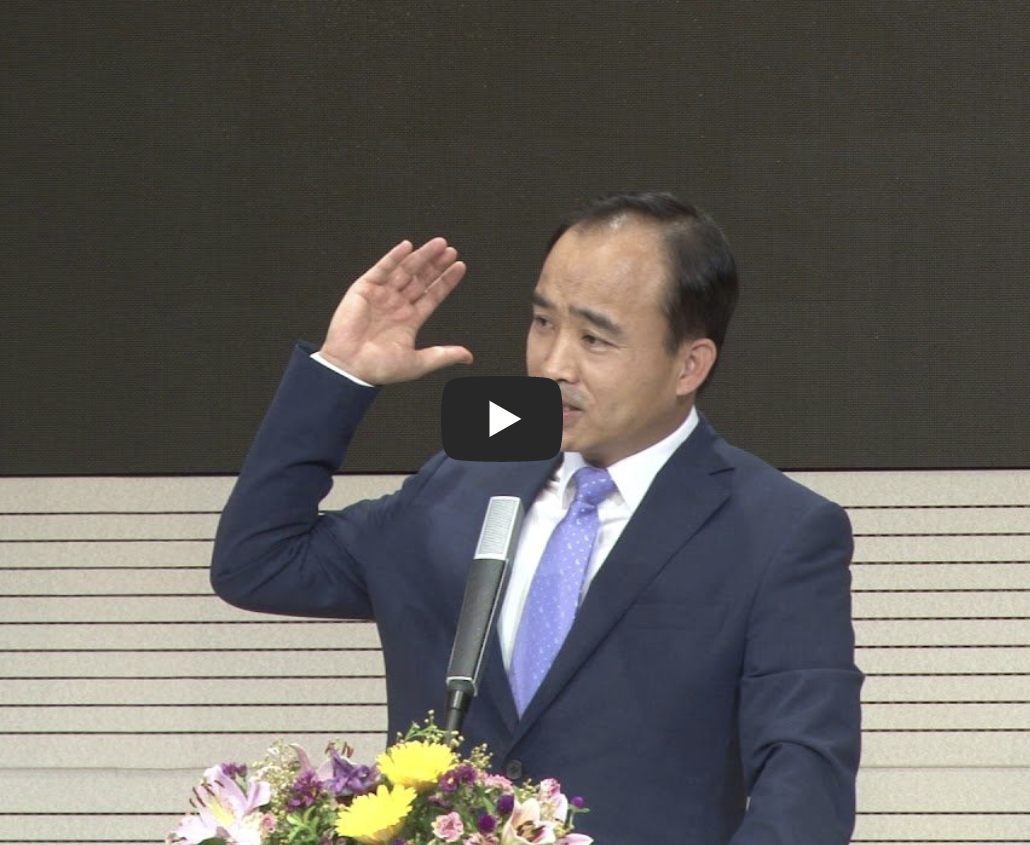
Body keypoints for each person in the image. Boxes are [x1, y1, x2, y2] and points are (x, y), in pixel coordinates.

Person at [212, 192, 861, 844]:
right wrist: (343, 374)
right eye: (544, 323)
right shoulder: (464, 482)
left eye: (594, 339)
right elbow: (259, 562)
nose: (553, 365)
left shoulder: (779, 533)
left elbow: (804, 783)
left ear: (689, 364)